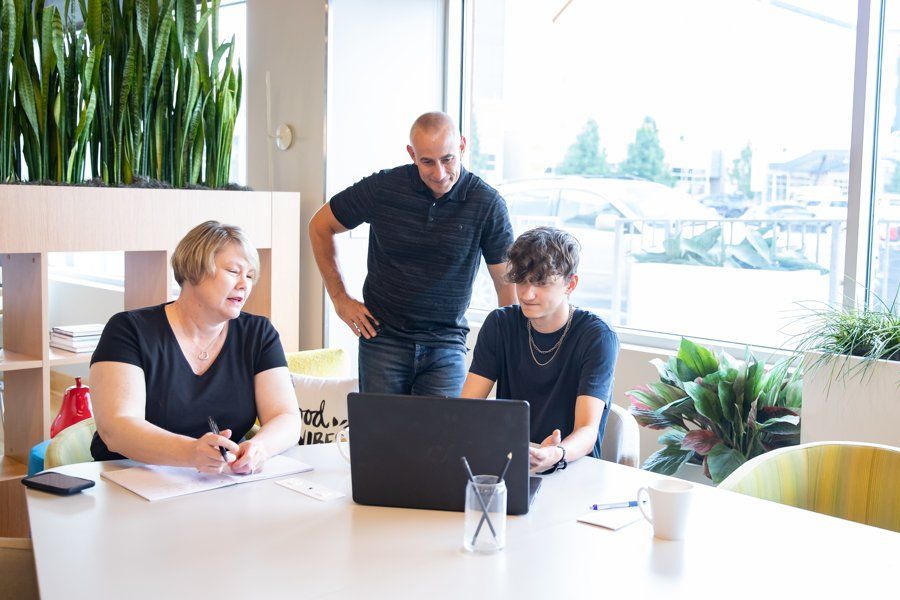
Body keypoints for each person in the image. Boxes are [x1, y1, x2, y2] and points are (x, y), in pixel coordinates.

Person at [309, 111, 516, 396]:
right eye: (427, 162)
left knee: (444, 438)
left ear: (462, 146)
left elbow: (506, 284)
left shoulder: (488, 204)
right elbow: (320, 226)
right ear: (411, 154)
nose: (439, 174)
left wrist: (505, 352)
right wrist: (339, 299)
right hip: (383, 340)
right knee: (381, 438)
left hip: (446, 345)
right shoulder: (384, 188)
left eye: (448, 159)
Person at [90, 221, 301, 474]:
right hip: (131, 477)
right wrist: (190, 453)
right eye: (234, 271)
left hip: (219, 482)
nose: (245, 285)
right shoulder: (128, 330)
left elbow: (286, 418)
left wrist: (258, 449)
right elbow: (116, 428)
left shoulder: (259, 333)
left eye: (250, 276)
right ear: (194, 270)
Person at [461, 227, 620, 473]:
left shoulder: (596, 336)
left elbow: (587, 432)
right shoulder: (500, 324)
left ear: (571, 284)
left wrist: (555, 454)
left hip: (573, 466)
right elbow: (466, 409)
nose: (527, 293)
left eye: (541, 282)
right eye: (522, 281)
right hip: (511, 463)